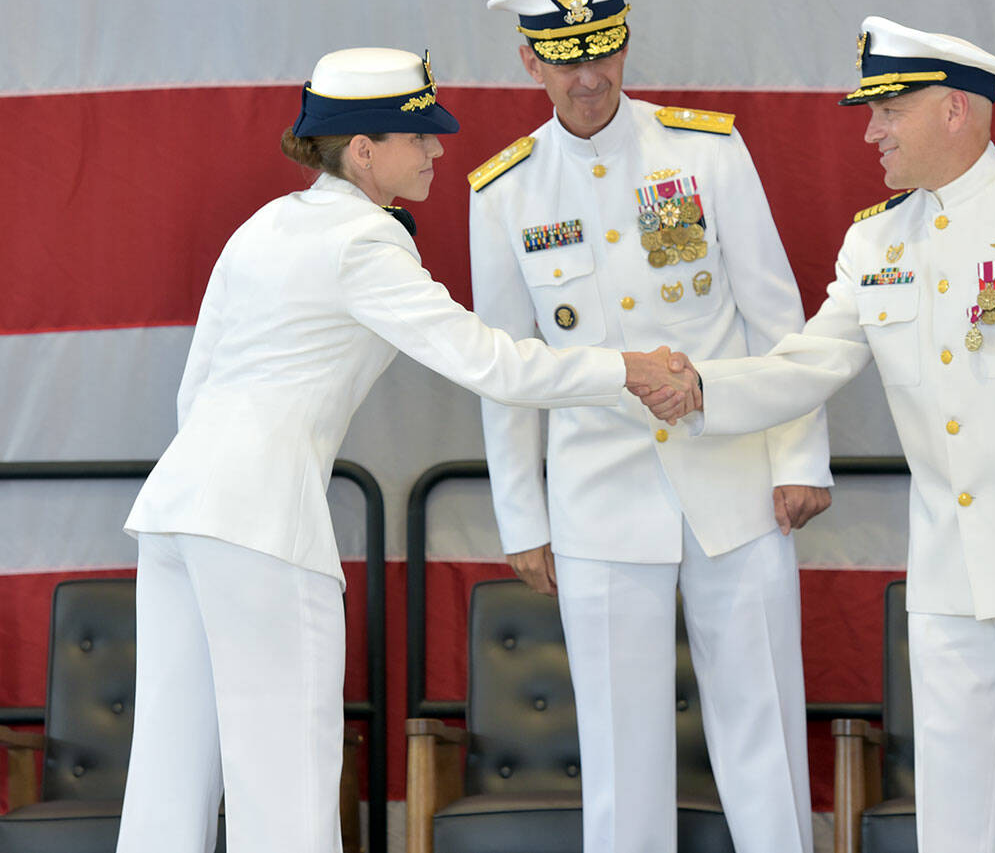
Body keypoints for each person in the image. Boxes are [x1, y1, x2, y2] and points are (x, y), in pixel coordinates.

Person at [116, 46, 696, 853]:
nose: (437, 150)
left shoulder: (266, 223)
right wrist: (624, 369)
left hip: (179, 509)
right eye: (418, 136)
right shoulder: (364, 242)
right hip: (261, 521)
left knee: (167, 780)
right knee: (285, 786)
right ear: (362, 149)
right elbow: (489, 361)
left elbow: (195, 389)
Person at [648, 16, 995, 853]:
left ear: (955, 112)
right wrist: (703, 386)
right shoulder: (876, 238)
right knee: (952, 812)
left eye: (887, 111)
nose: (870, 131)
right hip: (947, 573)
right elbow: (809, 360)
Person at [467, 0, 833, 853]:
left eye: (602, 54)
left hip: (734, 482)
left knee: (766, 732)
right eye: (565, 62)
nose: (588, 78)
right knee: (622, 752)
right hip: (598, 497)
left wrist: (797, 460)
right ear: (529, 61)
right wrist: (523, 514)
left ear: (624, 45)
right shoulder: (503, 190)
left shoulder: (706, 150)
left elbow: (775, 316)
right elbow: (505, 370)